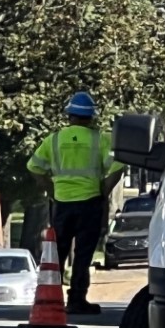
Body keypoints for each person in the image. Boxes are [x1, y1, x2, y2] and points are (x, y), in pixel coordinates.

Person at [28, 92, 125, 315]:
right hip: (90, 202)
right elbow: (118, 167)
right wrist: (104, 190)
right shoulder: (101, 139)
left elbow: (34, 167)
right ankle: (77, 299)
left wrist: (51, 190)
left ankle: (49, 298)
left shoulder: (53, 140)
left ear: (69, 115)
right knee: (83, 254)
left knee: (57, 254)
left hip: (61, 204)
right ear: (91, 117)